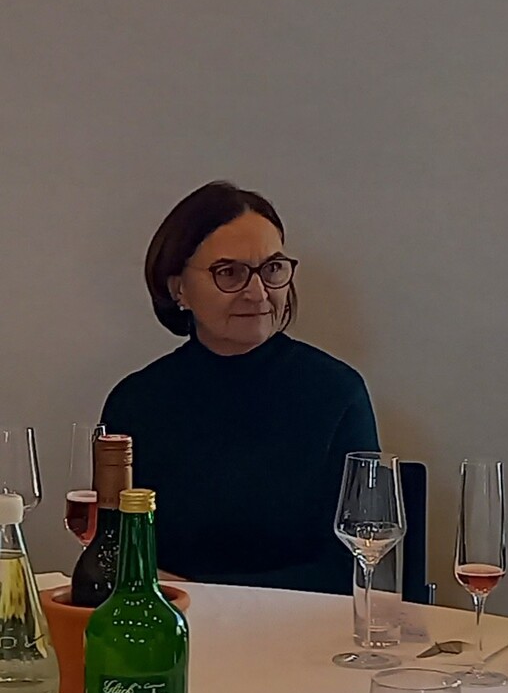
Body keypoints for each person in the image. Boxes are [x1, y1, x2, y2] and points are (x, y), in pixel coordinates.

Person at [102, 181, 379, 593]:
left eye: (272, 269)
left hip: (306, 626)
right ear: (178, 289)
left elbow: (356, 567)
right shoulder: (135, 403)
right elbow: (113, 554)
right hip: (172, 624)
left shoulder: (337, 394)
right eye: (229, 273)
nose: (258, 293)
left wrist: (200, 591)